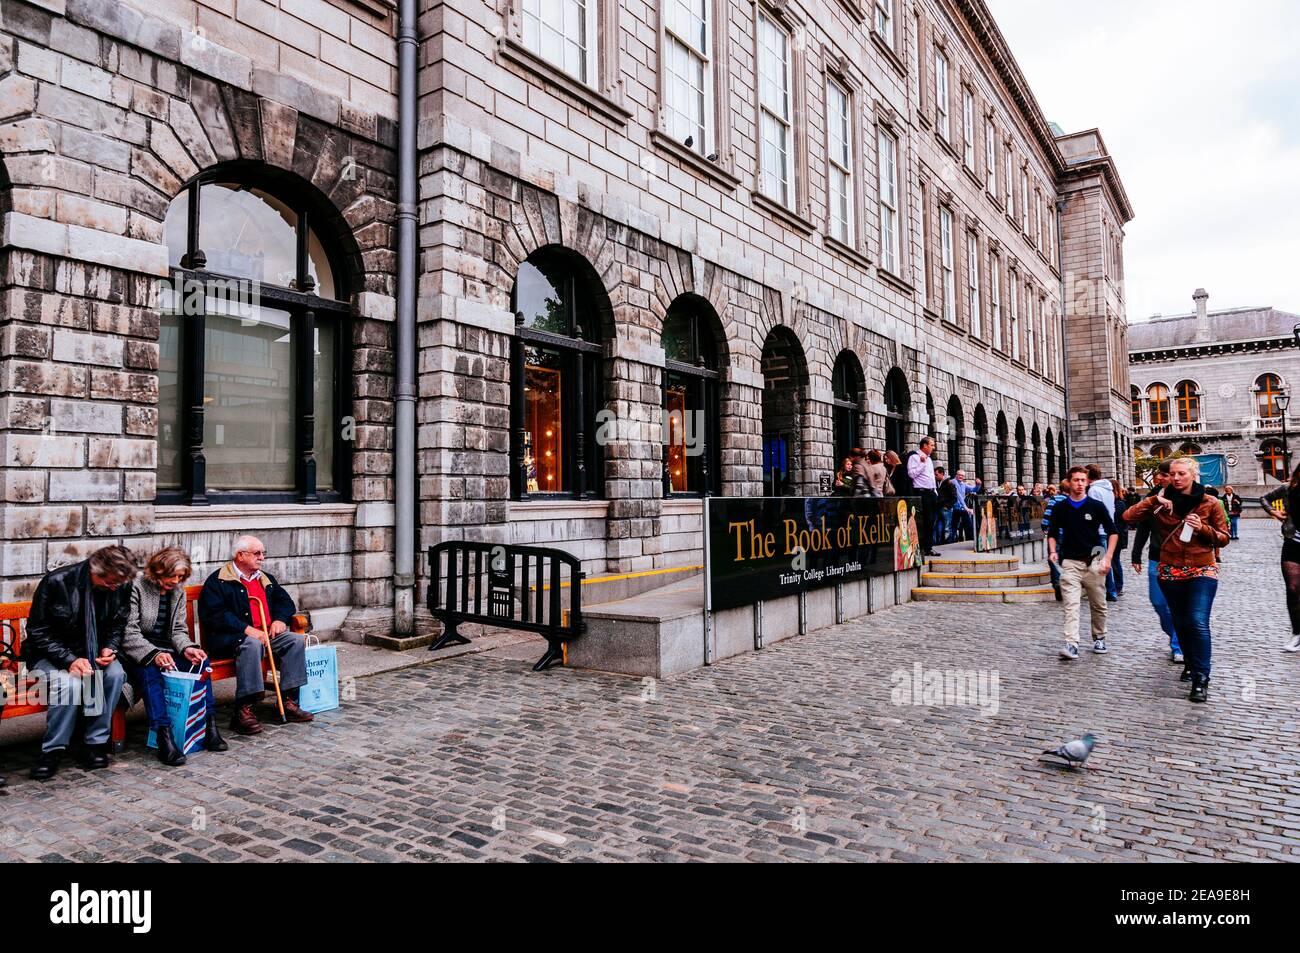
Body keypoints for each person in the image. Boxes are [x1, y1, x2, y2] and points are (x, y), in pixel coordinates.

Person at [24, 546, 137, 780]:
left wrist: (111, 647)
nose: (116, 587)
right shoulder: (57, 581)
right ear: (96, 572)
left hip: (95, 652)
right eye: (111, 582)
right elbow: (37, 631)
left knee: (115, 674)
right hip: (51, 656)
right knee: (70, 684)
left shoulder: (121, 584)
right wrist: (69, 660)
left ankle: (94, 743)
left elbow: (119, 623)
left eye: (120, 583)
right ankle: (52, 751)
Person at [1124, 457, 1229, 702]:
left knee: (1198, 621)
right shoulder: (1160, 502)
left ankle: (1202, 677)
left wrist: (1202, 528)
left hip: (1202, 569)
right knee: (1180, 622)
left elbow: (1223, 538)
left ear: (1193, 475)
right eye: (1173, 474)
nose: (1177, 478)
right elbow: (1128, 517)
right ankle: (1190, 663)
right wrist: (1152, 500)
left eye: (1182, 473)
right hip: (1170, 570)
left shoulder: (1210, 502)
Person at [198, 535, 314, 735]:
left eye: (263, 553)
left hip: (267, 635)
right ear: (241, 555)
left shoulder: (264, 578)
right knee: (252, 644)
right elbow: (214, 615)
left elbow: (285, 602)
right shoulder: (219, 581)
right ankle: (243, 710)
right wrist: (246, 629)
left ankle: (288, 702)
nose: (262, 558)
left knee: (295, 640)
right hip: (230, 639)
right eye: (257, 553)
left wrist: (279, 619)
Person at [122, 547, 227, 766]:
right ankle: (164, 735)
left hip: (168, 650)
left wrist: (187, 648)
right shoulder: (136, 587)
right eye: (172, 575)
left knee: (200, 662)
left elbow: (178, 630)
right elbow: (129, 632)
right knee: (151, 671)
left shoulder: (178, 591)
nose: (176, 580)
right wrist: (154, 654)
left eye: (180, 576)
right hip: (139, 652)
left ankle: (209, 726)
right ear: (158, 571)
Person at [1047, 466, 1117, 660]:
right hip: (1070, 562)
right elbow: (1052, 533)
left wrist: (1108, 558)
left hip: (1094, 560)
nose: (1079, 484)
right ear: (1069, 482)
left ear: (1087, 482)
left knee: (1099, 603)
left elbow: (1113, 531)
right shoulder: (1060, 507)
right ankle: (1072, 644)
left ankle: (1099, 637)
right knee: (1071, 604)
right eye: (1075, 480)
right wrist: (1053, 551)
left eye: (1082, 480)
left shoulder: (1096, 506)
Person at [1131, 461, 1180, 663]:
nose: (1167, 478)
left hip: (1179, 559)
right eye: (1165, 475)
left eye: (1169, 475)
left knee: (1177, 604)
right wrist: (1136, 555)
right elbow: (1143, 528)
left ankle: (1179, 644)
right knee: (1159, 603)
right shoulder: (1151, 499)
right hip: (1156, 557)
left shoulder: (1186, 498)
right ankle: (1174, 633)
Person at [1263, 464, 1300, 651]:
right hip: (1293, 541)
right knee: (1293, 589)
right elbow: (1264, 499)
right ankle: (1297, 633)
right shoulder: (1288, 488)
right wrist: (1274, 512)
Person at [1086, 465, 1120, 601]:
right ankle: (1109, 590)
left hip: (1098, 531)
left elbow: (1092, 512)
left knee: (1100, 562)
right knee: (1102, 561)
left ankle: (1109, 592)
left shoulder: (1093, 490)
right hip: (1105, 529)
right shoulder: (1108, 489)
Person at [907, 437, 940, 557]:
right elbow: (911, 474)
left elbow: (931, 477)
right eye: (932, 445)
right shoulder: (914, 457)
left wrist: (935, 491)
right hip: (921, 492)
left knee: (931, 521)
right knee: (924, 521)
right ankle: (921, 547)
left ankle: (928, 547)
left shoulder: (930, 459)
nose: (933, 447)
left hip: (931, 492)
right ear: (924, 445)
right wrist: (922, 463)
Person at [1041, 479, 1070, 600]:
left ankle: (1058, 582)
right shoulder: (1074, 500)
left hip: (1056, 534)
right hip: (1070, 536)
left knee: (1052, 558)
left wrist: (1044, 526)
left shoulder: (1054, 499)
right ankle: (1068, 584)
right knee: (1067, 560)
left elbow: (1048, 515)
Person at [935, 466, 957, 546]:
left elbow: (955, 497)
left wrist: (947, 506)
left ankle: (948, 544)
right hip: (938, 507)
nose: (935, 476)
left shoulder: (949, 483)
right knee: (937, 526)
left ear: (942, 474)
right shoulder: (936, 482)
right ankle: (938, 543)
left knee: (947, 527)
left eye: (937, 474)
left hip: (945, 509)